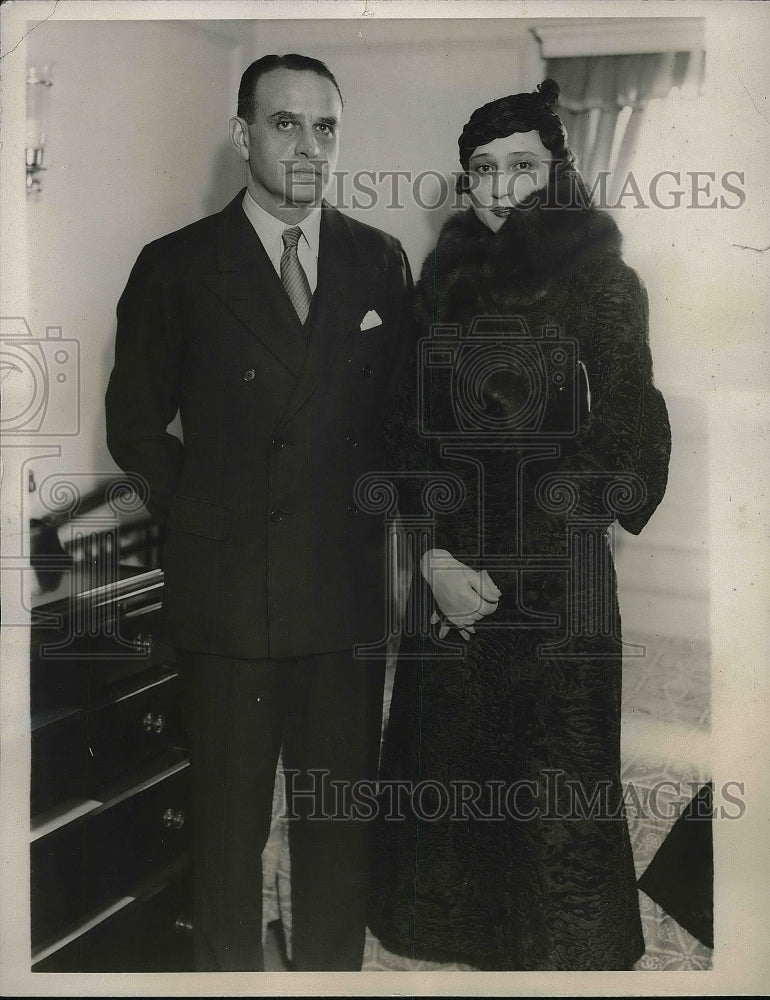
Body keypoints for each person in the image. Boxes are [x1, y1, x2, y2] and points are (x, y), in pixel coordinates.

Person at [105, 53, 414, 972]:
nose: (308, 145)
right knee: (225, 841)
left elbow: (402, 423)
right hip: (228, 600)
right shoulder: (176, 265)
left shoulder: (378, 258)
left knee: (337, 842)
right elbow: (133, 428)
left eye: (326, 127)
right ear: (244, 135)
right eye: (286, 123)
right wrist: (207, 509)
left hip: (341, 601)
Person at [368, 79, 671, 970]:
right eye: (482, 171)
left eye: (522, 168)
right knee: (448, 778)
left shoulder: (606, 285)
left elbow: (628, 439)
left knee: (553, 791)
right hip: (448, 576)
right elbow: (404, 434)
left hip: (555, 584)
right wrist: (432, 565)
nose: (501, 188)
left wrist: (511, 568)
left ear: (558, 172)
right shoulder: (440, 284)